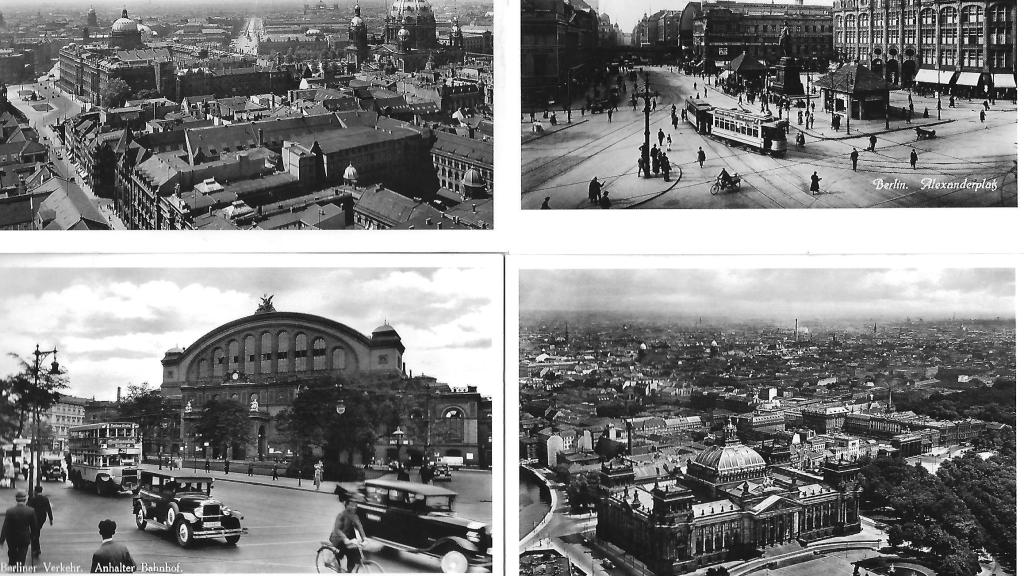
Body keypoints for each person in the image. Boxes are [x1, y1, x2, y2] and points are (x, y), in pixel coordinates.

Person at [330, 495, 367, 573]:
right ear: (347, 506)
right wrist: (345, 538)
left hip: (348, 538)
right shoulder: (341, 515)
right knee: (347, 551)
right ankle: (336, 560)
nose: (354, 507)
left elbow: (360, 527)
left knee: (354, 555)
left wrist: (364, 538)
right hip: (338, 538)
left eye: (355, 505)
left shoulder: (355, 516)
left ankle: (348, 571)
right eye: (352, 505)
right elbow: (337, 529)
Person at [0, 490, 35, 567]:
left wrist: (2, 540)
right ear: (25, 499)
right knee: (22, 556)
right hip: (24, 537)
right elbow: (34, 527)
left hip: (12, 538)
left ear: (16, 499)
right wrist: (33, 538)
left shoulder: (10, 511)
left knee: (12, 554)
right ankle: (19, 568)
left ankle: (12, 564)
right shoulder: (30, 511)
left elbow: (5, 526)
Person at [27, 486, 52, 557]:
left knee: (34, 533)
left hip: (34, 518)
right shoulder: (45, 499)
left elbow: (28, 507)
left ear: (35, 491)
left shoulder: (33, 499)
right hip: (42, 518)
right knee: (36, 532)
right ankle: (36, 548)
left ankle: (36, 549)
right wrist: (51, 519)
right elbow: (49, 509)